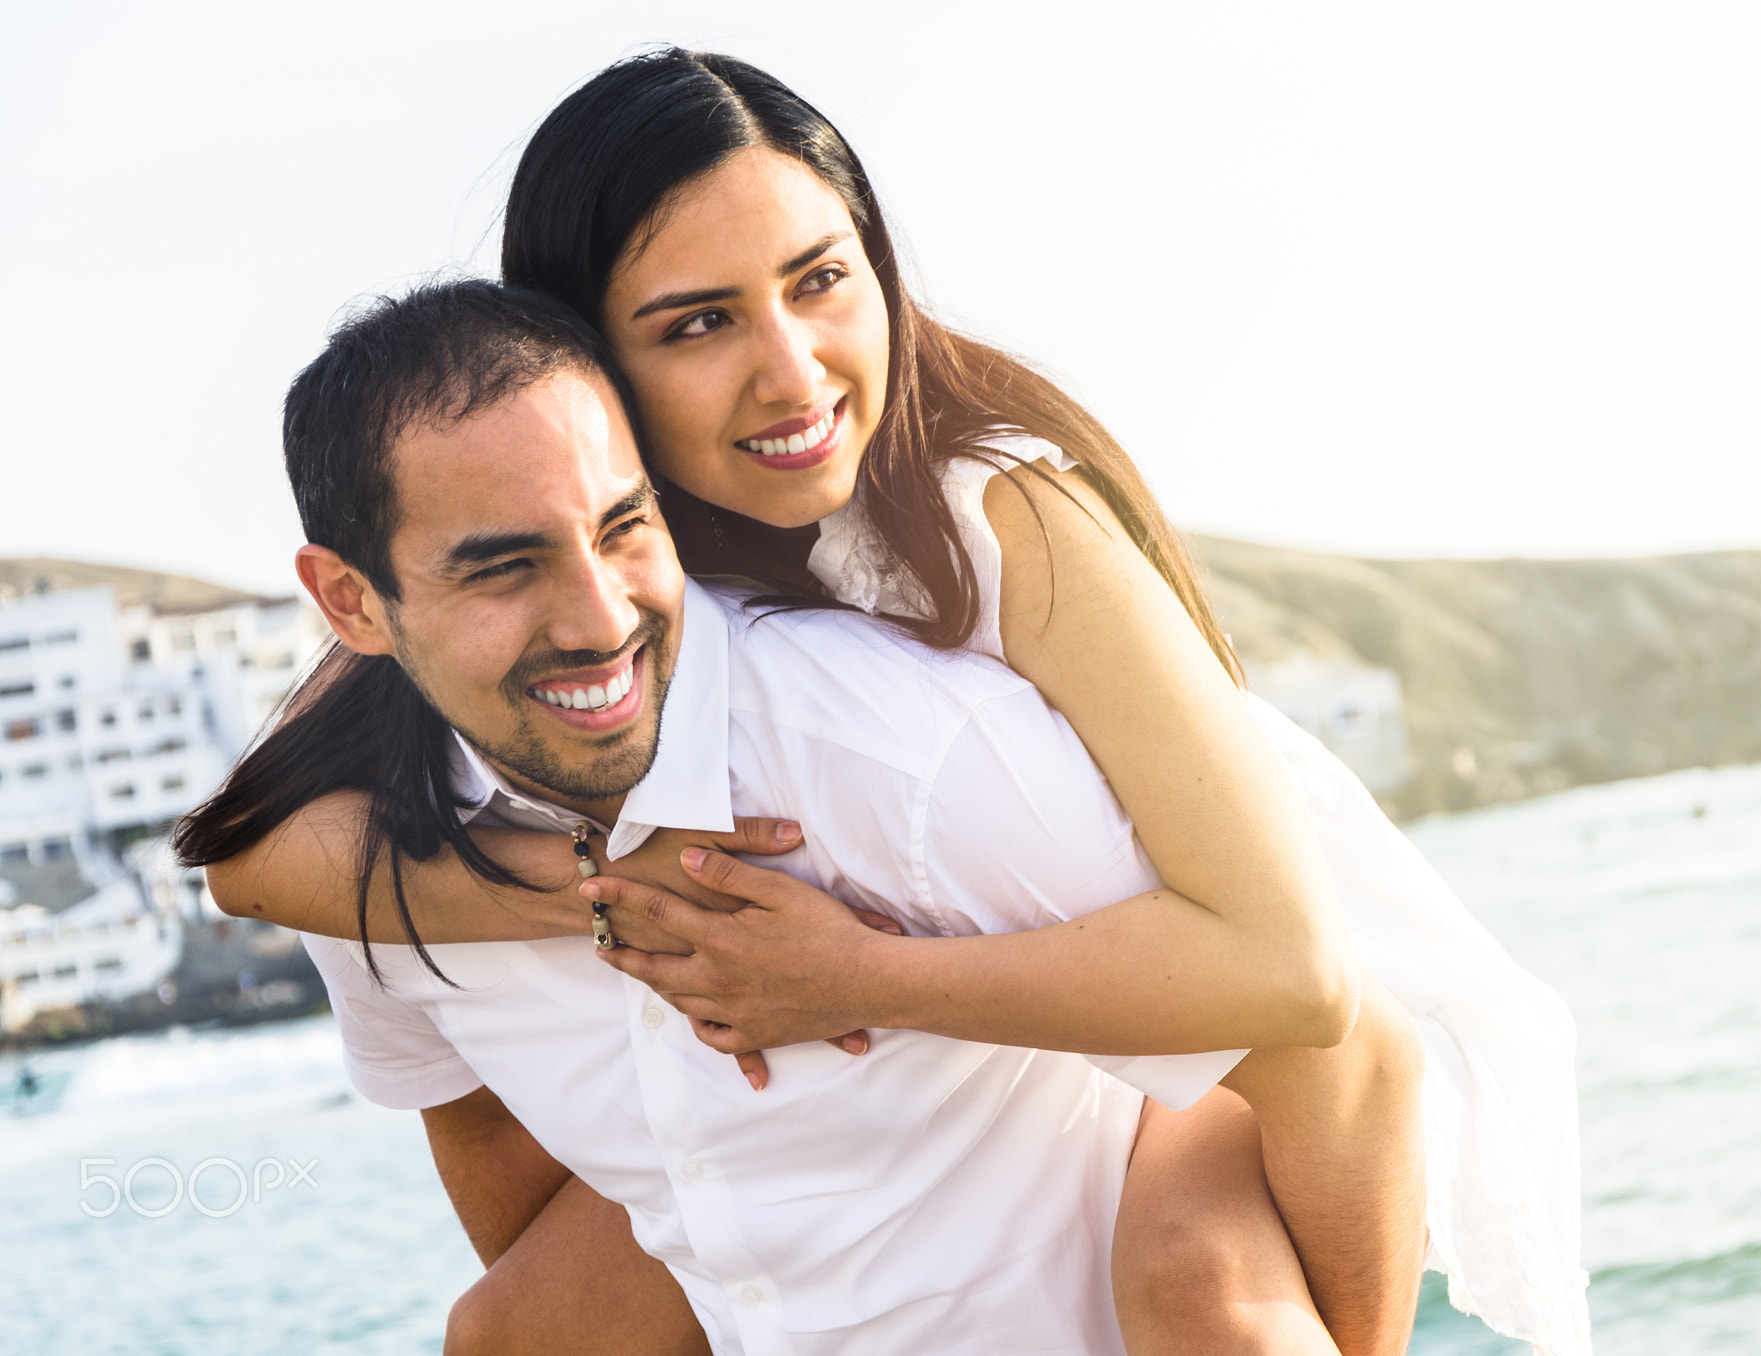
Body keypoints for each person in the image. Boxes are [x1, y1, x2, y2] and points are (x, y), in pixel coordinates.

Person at [200, 51, 1587, 1356]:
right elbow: (255, 854)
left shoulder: (1001, 515)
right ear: (583, 366)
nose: (794, 373)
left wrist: (856, 975)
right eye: (698, 323)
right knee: (513, 1329)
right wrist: (633, 890)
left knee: (1210, 1290)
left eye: (822, 280)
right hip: (987, 987)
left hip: (1208, 955)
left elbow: (1293, 976)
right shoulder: (555, 558)